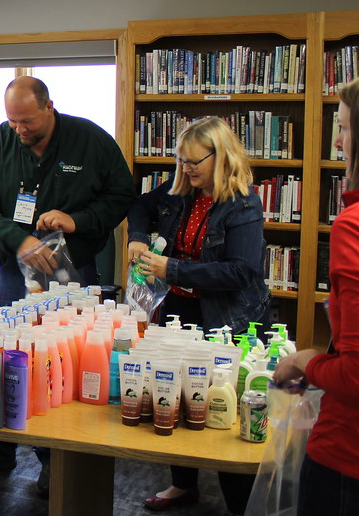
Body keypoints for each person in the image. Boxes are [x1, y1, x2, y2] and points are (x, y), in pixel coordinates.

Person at [0, 75, 135, 493]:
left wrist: (79, 221)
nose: (19, 130)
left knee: (55, 362)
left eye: (27, 122)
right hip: (14, 272)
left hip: (72, 274)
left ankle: (54, 458)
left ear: (49, 107)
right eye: (12, 121)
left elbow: (122, 195)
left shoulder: (90, 140)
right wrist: (20, 240)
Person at [128, 116, 268, 514]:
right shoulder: (181, 190)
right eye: (181, 161)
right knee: (176, 393)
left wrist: (171, 268)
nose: (185, 170)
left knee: (223, 410)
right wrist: (138, 237)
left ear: (219, 157)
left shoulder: (243, 204)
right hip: (181, 310)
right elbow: (140, 205)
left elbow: (241, 271)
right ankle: (182, 484)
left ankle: (240, 504)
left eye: (193, 162)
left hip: (226, 317)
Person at [273, 79, 359, 515]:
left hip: (348, 456)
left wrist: (304, 361)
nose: (338, 141)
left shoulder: (353, 224)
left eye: (343, 128)